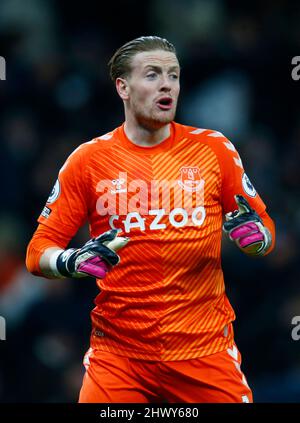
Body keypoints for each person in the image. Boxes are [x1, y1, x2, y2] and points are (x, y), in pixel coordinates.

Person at [26, 36, 275, 403]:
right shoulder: (88, 160)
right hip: (119, 359)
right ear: (122, 87)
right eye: (153, 74)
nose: (166, 85)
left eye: (173, 75)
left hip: (203, 352)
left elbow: (264, 228)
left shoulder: (214, 149)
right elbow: (37, 252)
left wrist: (255, 238)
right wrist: (71, 261)